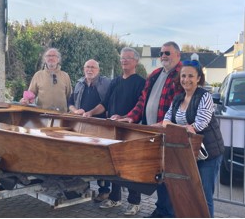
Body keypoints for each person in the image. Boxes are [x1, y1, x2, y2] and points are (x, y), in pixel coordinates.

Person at [115, 41, 183, 217]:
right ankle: (162, 209)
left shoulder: (182, 75)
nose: (163, 56)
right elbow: (142, 102)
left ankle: (168, 212)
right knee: (159, 173)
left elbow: (179, 107)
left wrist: (164, 124)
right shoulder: (154, 74)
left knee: (170, 176)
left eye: (167, 53)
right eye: (161, 53)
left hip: (170, 134)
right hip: (153, 133)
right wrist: (130, 117)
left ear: (178, 55)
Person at [83, 47, 146, 216]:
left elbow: (140, 107)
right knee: (113, 166)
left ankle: (134, 202)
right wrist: (90, 112)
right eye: (122, 58)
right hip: (112, 130)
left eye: (128, 58)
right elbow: (103, 104)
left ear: (136, 62)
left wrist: (125, 117)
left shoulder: (141, 82)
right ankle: (115, 198)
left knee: (130, 168)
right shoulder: (115, 81)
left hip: (131, 131)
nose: (124, 61)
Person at [162, 54, 224, 217]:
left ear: (198, 78)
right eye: (183, 75)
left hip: (208, 154)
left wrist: (176, 128)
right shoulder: (178, 98)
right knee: (187, 193)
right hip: (188, 153)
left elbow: (199, 125)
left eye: (190, 76)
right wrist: (182, 127)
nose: (186, 79)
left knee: (204, 196)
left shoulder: (205, 96)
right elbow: (165, 122)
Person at [68, 59, 111, 202]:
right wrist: (75, 111)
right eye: (87, 67)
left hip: (100, 127)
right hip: (81, 126)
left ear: (98, 70)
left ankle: (104, 190)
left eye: (93, 67)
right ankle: (82, 187)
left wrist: (91, 112)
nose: (90, 70)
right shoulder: (79, 83)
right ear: (83, 69)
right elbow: (70, 102)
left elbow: (107, 103)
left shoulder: (105, 83)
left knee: (101, 159)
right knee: (82, 157)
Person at [20, 48, 72, 112]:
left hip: (61, 116)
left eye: (53, 56)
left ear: (58, 59)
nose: (51, 58)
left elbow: (69, 96)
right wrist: (25, 100)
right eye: (48, 56)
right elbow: (30, 95)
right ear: (45, 59)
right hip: (41, 115)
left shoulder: (65, 76)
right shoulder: (38, 75)